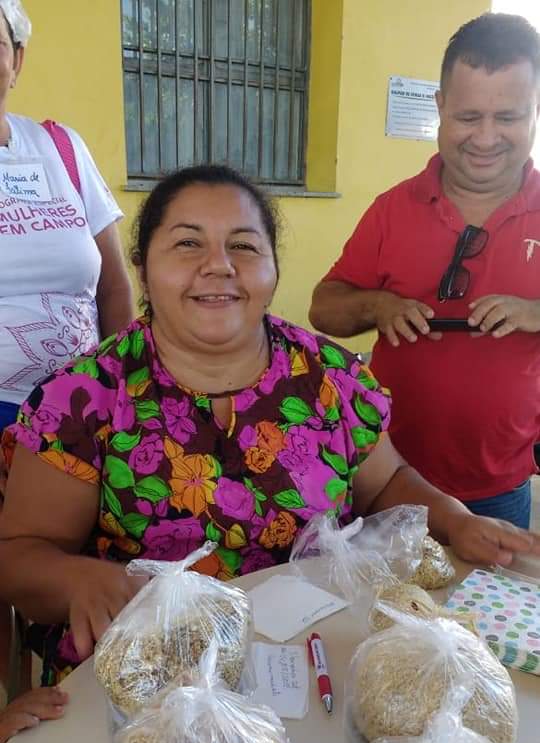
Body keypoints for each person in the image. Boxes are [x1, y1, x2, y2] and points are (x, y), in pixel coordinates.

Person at [0, 163, 538, 701]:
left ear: (274, 267)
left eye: (244, 246)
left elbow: (385, 482)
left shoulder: (329, 375)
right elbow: (20, 553)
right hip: (147, 683)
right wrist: (76, 579)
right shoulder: (83, 399)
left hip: (318, 664)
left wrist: (454, 519)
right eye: (188, 244)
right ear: (143, 270)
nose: (219, 266)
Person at [309, 13, 540, 531]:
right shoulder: (393, 208)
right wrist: (378, 306)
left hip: (499, 490)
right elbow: (323, 307)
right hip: (390, 480)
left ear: (534, 113)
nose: (485, 138)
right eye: (468, 116)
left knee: (484, 614)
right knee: (384, 612)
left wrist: (535, 312)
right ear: (440, 108)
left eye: (507, 117)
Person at [0, 0, 133, 432]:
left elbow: (114, 287)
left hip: (84, 411)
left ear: (16, 59)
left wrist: (122, 390)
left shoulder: (60, 148)